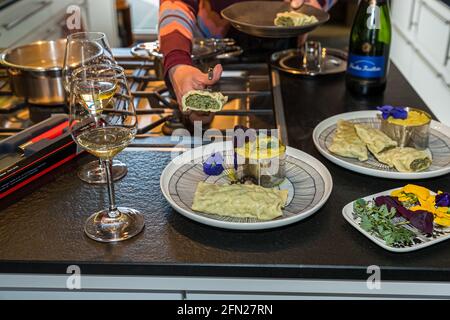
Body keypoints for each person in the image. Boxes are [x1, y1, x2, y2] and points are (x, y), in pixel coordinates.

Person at [159, 0, 337, 122]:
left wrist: (315, 4)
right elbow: (176, 3)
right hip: (215, 54)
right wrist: (178, 62)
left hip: (287, 51)